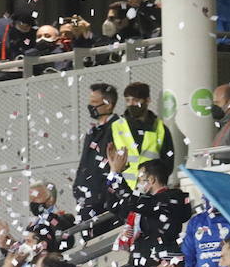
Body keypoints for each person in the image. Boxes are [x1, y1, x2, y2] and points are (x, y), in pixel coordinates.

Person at [74, 83, 122, 222]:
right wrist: (78, 188)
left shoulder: (117, 128)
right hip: (87, 202)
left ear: (109, 104)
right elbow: (85, 163)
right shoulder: (92, 132)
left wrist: (104, 194)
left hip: (105, 203)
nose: (91, 107)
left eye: (95, 103)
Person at [112, 82, 175, 184]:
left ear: (147, 100)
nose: (131, 104)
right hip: (124, 190)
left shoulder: (160, 128)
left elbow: (168, 164)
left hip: (151, 190)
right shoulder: (116, 127)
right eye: (128, 100)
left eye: (136, 100)